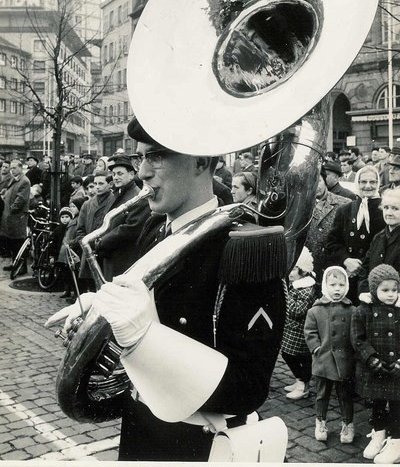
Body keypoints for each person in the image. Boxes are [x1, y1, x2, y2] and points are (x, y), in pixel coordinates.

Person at [46, 116, 287, 462]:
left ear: (201, 162)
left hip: (200, 441)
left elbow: (249, 387)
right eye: (142, 157)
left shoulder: (244, 247)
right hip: (141, 424)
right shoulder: (155, 230)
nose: (142, 172)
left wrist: (145, 339)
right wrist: (98, 311)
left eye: (156, 156)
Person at [351, 264, 400, 463]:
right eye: (385, 290)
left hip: (397, 369)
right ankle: (379, 434)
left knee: (397, 405)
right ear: (374, 290)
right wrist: (371, 358)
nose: (391, 294)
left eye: (394, 290)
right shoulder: (363, 311)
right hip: (375, 368)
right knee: (377, 402)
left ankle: (396, 442)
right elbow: (357, 338)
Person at [304, 266, 355, 444]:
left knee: (345, 395)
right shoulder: (315, 310)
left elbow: (356, 334)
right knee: (322, 394)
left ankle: (348, 423)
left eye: (341, 285)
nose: (337, 289)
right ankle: (320, 421)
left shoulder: (352, 310)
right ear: (325, 285)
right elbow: (310, 332)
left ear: (346, 286)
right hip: (323, 360)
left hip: (344, 361)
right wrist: (316, 348)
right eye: (332, 284)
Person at [325, 166, 385, 304]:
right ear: (357, 183)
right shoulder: (345, 209)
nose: (368, 186)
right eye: (363, 182)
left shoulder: (385, 210)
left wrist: (361, 266)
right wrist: (346, 260)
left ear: (378, 183)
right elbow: (332, 242)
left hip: (373, 276)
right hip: (348, 276)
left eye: (373, 182)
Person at [94, 153, 151, 281]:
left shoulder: (138, 197)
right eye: (114, 174)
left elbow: (131, 228)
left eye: (120, 174)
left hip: (125, 258)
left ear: (131, 174)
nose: (115, 177)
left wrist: (102, 241)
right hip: (112, 255)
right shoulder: (116, 194)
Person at [281, 247, 316, 400]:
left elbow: (296, 311)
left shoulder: (305, 289)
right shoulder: (295, 285)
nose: (291, 273)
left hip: (299, 332)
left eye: (294, 269)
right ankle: (299, 380)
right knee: (287, 354)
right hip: (291, 331)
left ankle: (303, 385)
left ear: (303, 270)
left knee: (299, 357)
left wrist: (285, 297)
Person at [72, 171, 114, 291]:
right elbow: (80, 229)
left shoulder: (115, 201)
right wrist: (85, 246)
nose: (97, 187)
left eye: (101, 183)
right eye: (95, 184)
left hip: (107, 252)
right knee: (91, 286)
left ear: (110, 184)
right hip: (90, 253)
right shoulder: (87, 204)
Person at [305, 174, 350, 284]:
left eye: (318, 181)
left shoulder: (345, 203)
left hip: (335, 266)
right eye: (311, 183)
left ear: (325, 181)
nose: (316, 186)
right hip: (309, 266)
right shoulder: (301, 206)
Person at [358, 188, 400, 294]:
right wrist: (364, 292)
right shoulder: (378, 237)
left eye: (395, 208)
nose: (389, 213)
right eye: (386, 207)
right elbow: (365, 268)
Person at [0, 159, 31, 272]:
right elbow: (11, 191)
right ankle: (15, 263)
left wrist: (12, 208)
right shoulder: (15, 180)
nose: (12, 170)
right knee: (11, 241)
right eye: (11, 168)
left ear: (21, 168)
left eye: (14, 168)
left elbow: (21, 198)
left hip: (17, 217)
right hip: (10, 216)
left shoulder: (24, 181)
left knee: (18, 242)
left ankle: (22, 266)